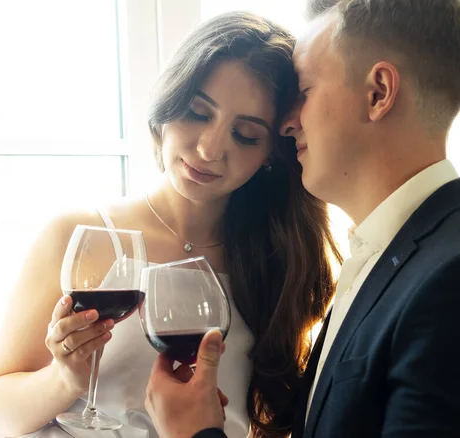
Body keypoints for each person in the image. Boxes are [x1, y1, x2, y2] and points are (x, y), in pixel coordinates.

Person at [0, 11, 340, 438]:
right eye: (197, 113)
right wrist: (65, 379)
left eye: (245, 134)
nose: (209, 149)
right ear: (169, 104)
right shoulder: (81, 238)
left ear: (271, 155)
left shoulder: (280, 260)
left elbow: (272, 425)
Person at [145, 0, 460, 437]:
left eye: (306, 92)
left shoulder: (448, 278)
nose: (287, 124)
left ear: (379, 92)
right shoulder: (388, 257)